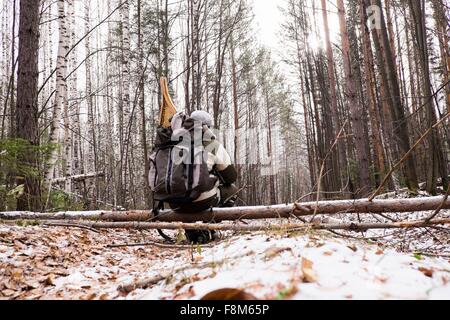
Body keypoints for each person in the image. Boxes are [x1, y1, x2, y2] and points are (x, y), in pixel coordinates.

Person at [174, 110, 239, 243]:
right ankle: (209, 227)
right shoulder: (211, 144)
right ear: (207, 127)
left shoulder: (175, 140)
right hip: (200, 200)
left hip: (174, 201)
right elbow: (230, 177)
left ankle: (191, 230)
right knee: (232, 190)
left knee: (186, 193)